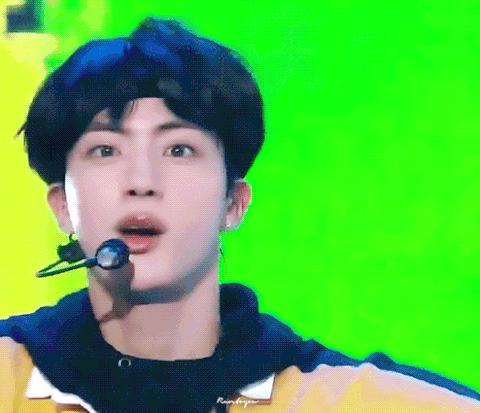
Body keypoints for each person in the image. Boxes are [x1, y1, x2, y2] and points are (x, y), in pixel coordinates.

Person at [0, 16, 479, 413]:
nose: (141, 181)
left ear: (234, 203)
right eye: (106, 150)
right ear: (62, 206)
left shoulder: (356, 400)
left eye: (179, 149)